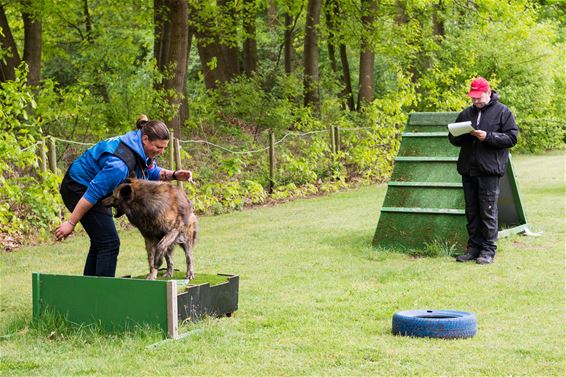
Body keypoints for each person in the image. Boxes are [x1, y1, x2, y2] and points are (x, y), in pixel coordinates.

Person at [55, 115, 193, 277]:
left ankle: (90, 291)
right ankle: (102, 295)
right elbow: (93, 192)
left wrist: (175, 175)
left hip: (94, 187)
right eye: (158, 147)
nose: (161, 152)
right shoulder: (119, 165)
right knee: (109, 243)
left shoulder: (140, 146)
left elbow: (149, 171)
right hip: (78, 187)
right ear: (145, 139)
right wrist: (71, 223)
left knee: (101, 241)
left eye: (164, 148)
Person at [449, 77, 519, 265]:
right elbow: (452, 139)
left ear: (489, 93)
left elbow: (512, 138)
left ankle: (488, 251)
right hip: (468, 170)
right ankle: (472, 249)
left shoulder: (503, 112)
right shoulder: (466, 113)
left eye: (479, 97)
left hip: (489, 171)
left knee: (487, 211)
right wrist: (461, 135)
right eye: (473, 98)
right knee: (472, 211)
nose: (476, 101)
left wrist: (488, 137)